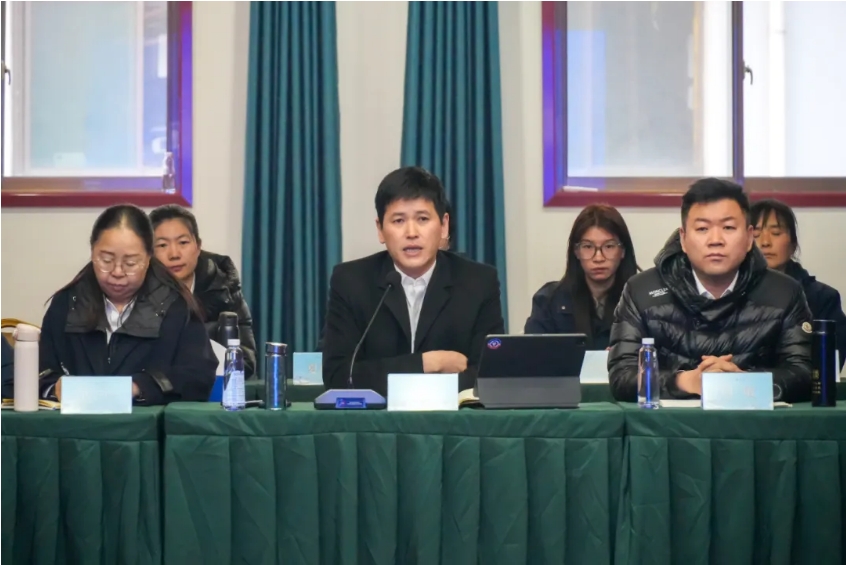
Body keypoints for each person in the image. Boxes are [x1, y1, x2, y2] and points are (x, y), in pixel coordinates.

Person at [608, 178, 813, 403]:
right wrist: (685, 382)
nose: (716, 240)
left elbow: (804, 374)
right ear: (683, 239)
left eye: (728, 228)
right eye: (703, 229)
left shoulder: (784, 293)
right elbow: (622, 377)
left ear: (748, 238)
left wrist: (745, 381)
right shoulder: (642, 292)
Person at [322, 166, 505, 395]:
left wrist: (389, 377)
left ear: (444, 226)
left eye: (423, 219)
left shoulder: (479, 282)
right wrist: (428, 363)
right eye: (398, 221)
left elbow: (489, 376)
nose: (411, 232)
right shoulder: (351, 281)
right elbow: (338, 376)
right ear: (380, 229)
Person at [39, 205, 217, 404]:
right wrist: (54, 387)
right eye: (106, 260)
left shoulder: (176, 307)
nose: (117, 272)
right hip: (76, 422)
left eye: (131, 263)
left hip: (147, 422)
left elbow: (198, 377)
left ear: (149, 257)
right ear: (92, 251)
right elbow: (37, 374)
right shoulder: (67, 304)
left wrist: (139, 387)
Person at [149, 205, 257, 378]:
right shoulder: (138, 294)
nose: (174, 254)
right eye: (162, 245)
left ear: (198, 246)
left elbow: (246, 361)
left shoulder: (223, 287)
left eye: (183, 242)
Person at [524, 204, 639, 350]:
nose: (598, 258)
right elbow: (532, 355)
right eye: (588, 247)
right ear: (576, 251)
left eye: (609, 246)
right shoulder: (548, 301)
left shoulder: (642, 301)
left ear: (622, 251)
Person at [751, 198, 846, 370]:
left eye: (776, 233)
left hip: (802, 385)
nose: (765, 242)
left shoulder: (823, 298)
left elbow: (829, 365)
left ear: (793, 244)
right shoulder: (728, 294)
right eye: (756, 235)